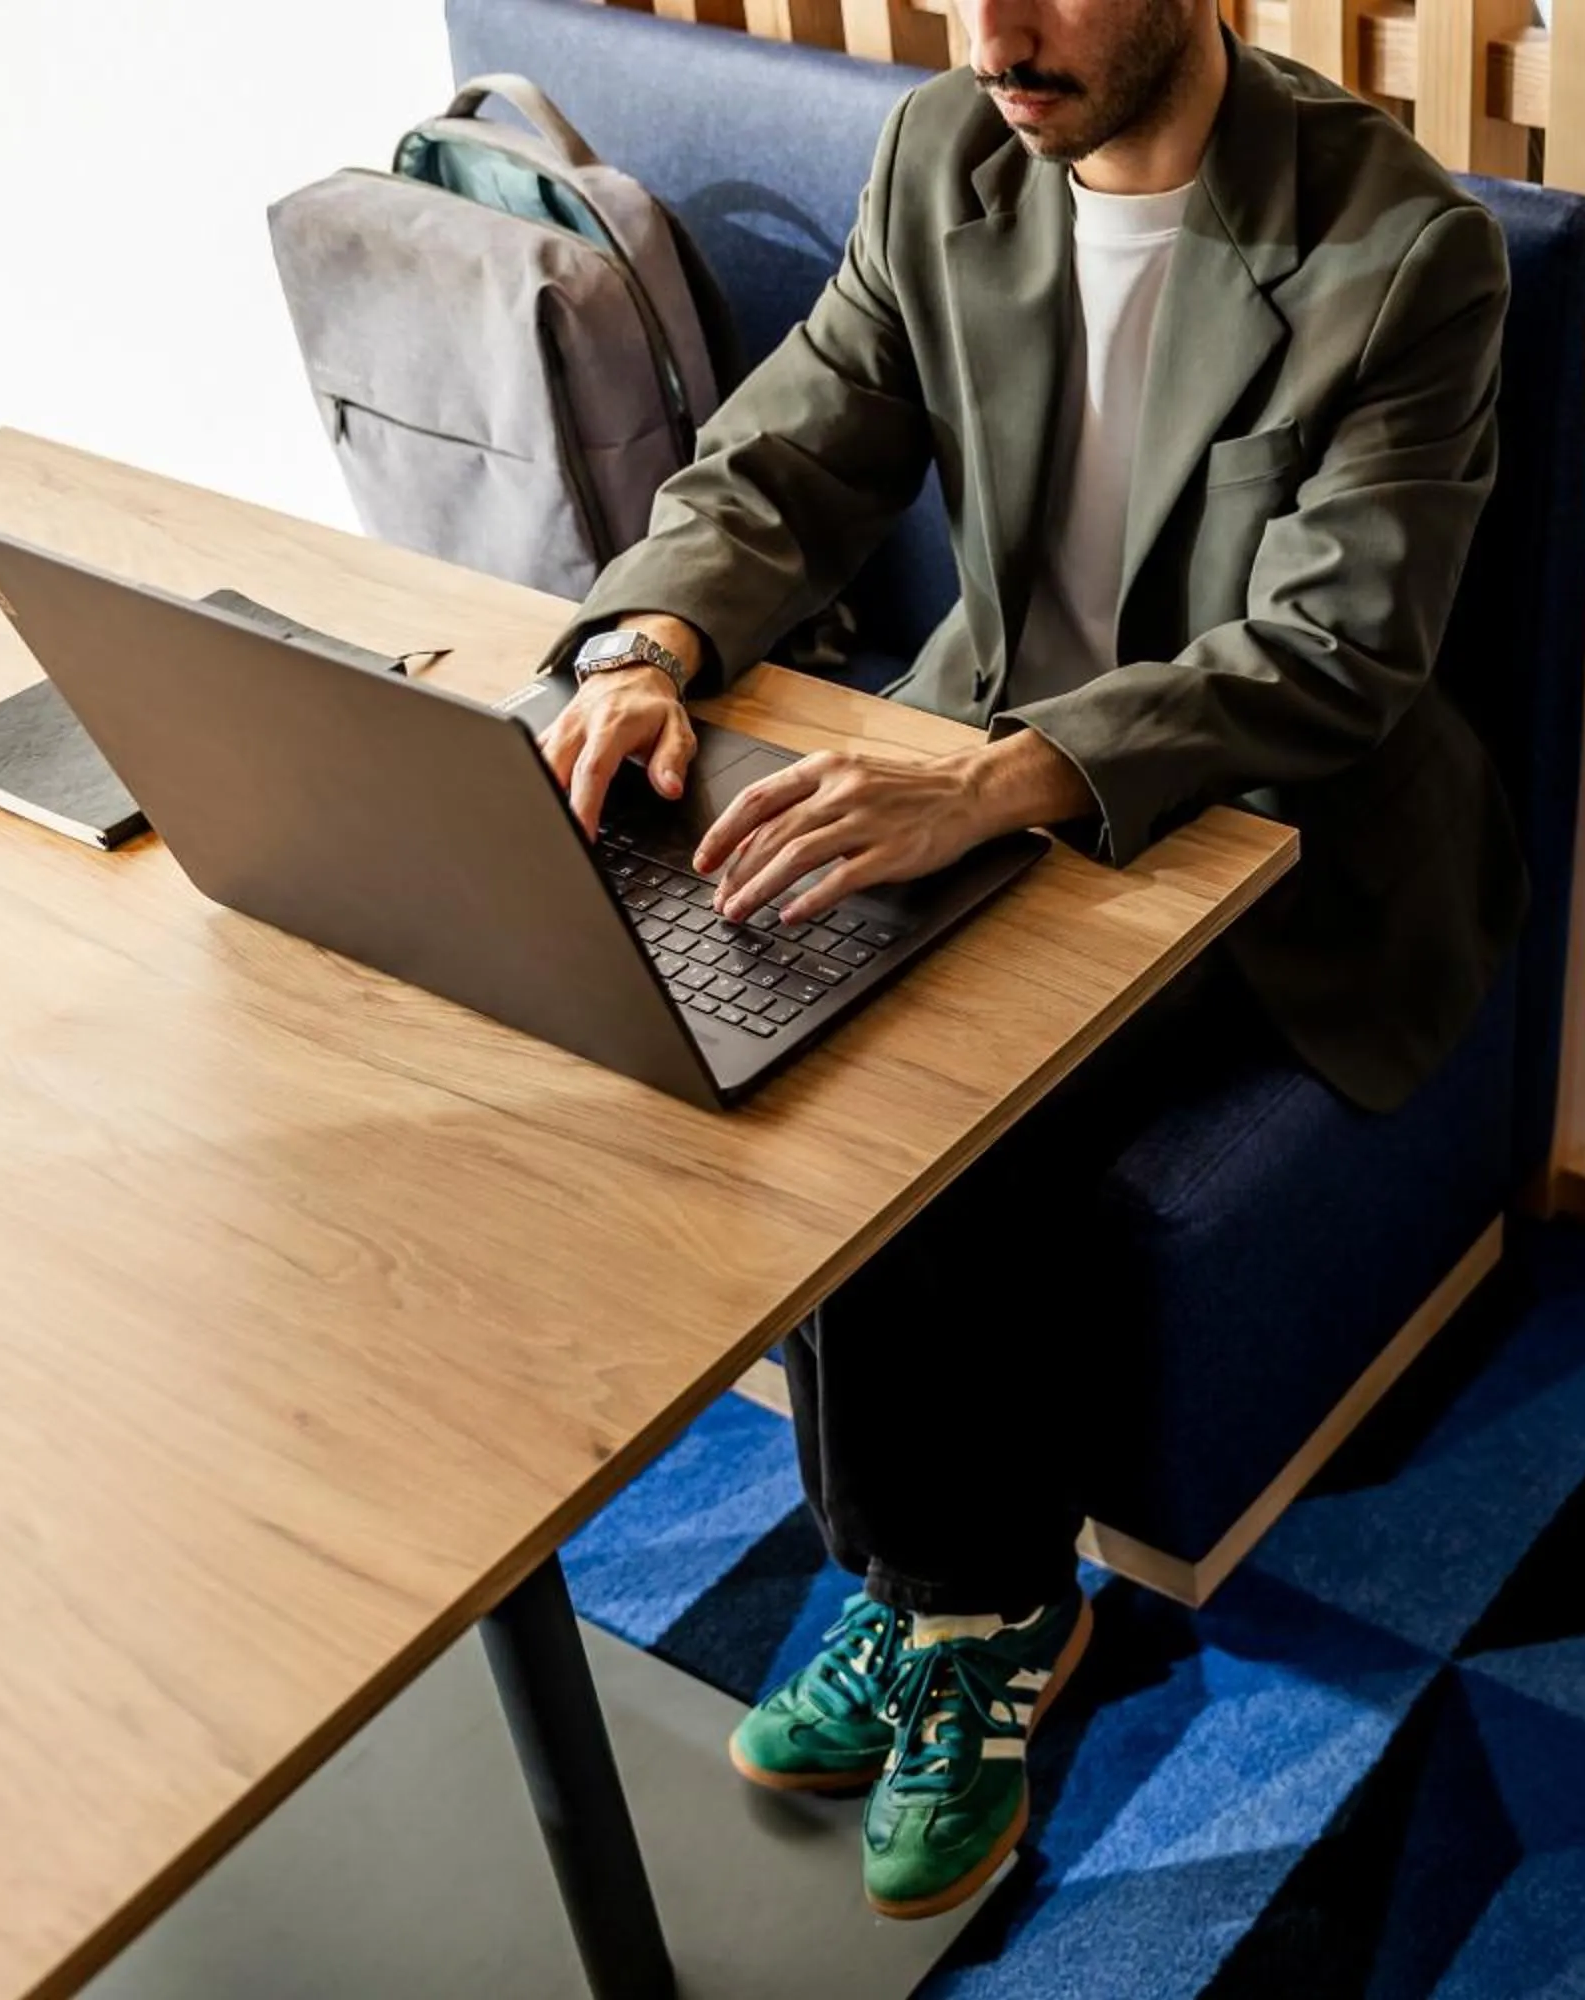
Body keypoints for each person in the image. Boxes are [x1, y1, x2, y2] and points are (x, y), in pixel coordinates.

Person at [533, 0, 1521, 1921]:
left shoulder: (1404, 256)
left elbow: (1335, 657)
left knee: (947, 1108)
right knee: (757, 998)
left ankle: (990, 1618)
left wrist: (1009, 786)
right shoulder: (944, 159)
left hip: (1270, 836)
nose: (995, 25)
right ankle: (927, 1581)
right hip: (975, 750)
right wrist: (643, 645)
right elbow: (788, 454)